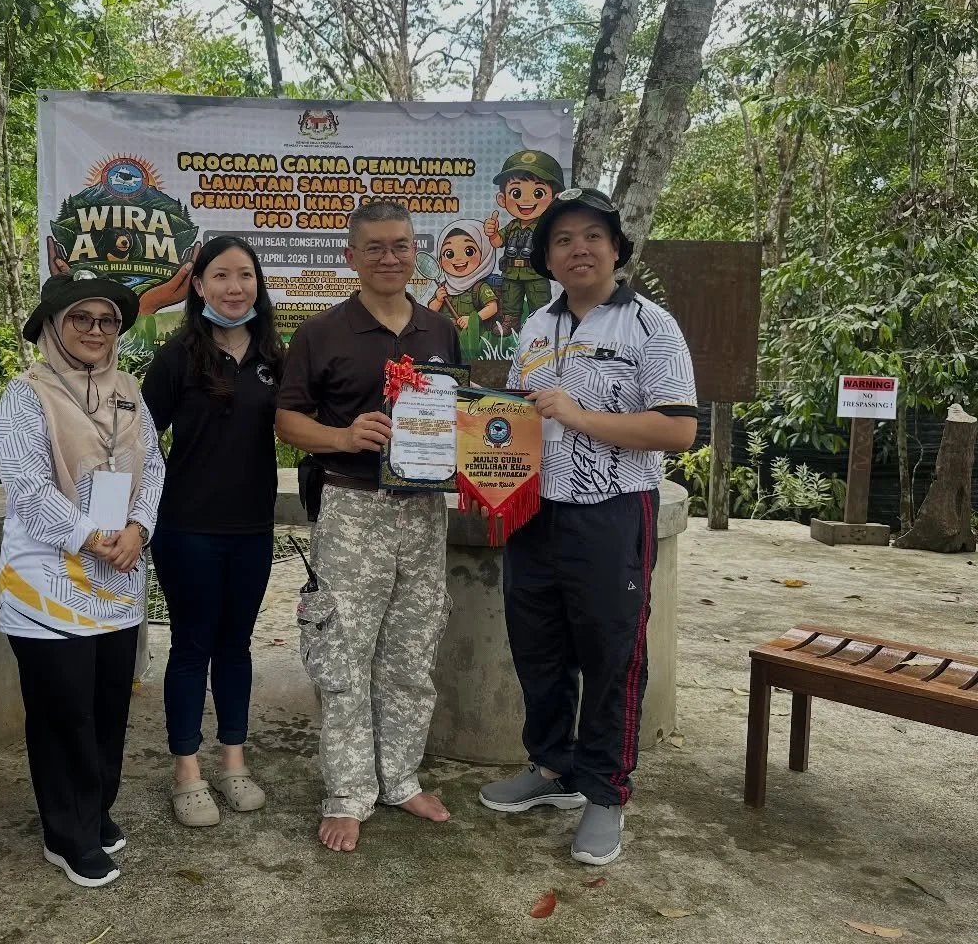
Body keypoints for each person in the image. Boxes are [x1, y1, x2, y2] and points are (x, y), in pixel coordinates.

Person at [478, 188, 697, 867]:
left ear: (616, 249)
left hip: (610, 511)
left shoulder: (652, 326)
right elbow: (518, 411)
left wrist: (581, 417)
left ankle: (604, 793)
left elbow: (679, 427)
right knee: (536, 647)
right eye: (564, 239)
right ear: (546, 256)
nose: (579, 248)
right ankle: (551, 769)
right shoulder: (536, 326)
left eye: (592, 237)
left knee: (611, 654)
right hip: (533, 508)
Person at [275, 201, 462, 853]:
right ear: (350, 257)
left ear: (418, 253)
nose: (390, 258)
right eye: (375, 248)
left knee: (413, 652)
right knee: (344, 655)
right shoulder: (321, 334)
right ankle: (349, 791)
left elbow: (459, 418)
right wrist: (343, 434)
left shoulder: (441, 331)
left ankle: (401, 779)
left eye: (401, 246)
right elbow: (288, 420)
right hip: (352, 505)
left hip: (423, 512)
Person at [0, 269, 165, 889]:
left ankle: (95, 810)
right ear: (52, 327)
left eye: (107, 321)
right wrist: (95, 538)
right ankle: (66, 834)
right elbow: (29, 485)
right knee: (63, 711)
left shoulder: (129, 393)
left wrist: (139, 530)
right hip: (49, 584)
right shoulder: (27, 394)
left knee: (107, 704)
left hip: (117, 579)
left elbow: (154, 471)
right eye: (80, 319)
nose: (95, 331)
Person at [142, 236, 285, 827]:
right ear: (198, 286)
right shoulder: (177, 356)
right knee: (192, 645)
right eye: (220, 276)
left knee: (236, 647)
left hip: (252, 528)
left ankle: (232, 761)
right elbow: (139, 440)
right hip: (188, 527)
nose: (234, 288)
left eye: (245, 276)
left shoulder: (276, 357)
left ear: (258, 285)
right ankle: (186, 770)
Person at [482, 150, 564, 332]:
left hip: (536, 274)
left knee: (539, 303)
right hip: (511, 273)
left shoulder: (547, 226)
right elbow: (497, 242)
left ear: (554, 198)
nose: (526, 200)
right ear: (502, 199)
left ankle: (542, 328)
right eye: (517, 192)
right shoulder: (511, 226)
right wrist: (493, 233)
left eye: (538, 193)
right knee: (510, 301)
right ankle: (510, 324)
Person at [427, 219, 500, 360]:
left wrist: (472, 319)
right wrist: (437, 299)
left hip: (472, 343)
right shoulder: (443, 286)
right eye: (449, 254)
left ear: (483, 252)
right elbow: (431, 310)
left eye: (469, 251)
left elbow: (492, 307)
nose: (459, 259)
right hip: (445, 342)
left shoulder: (479, 287)